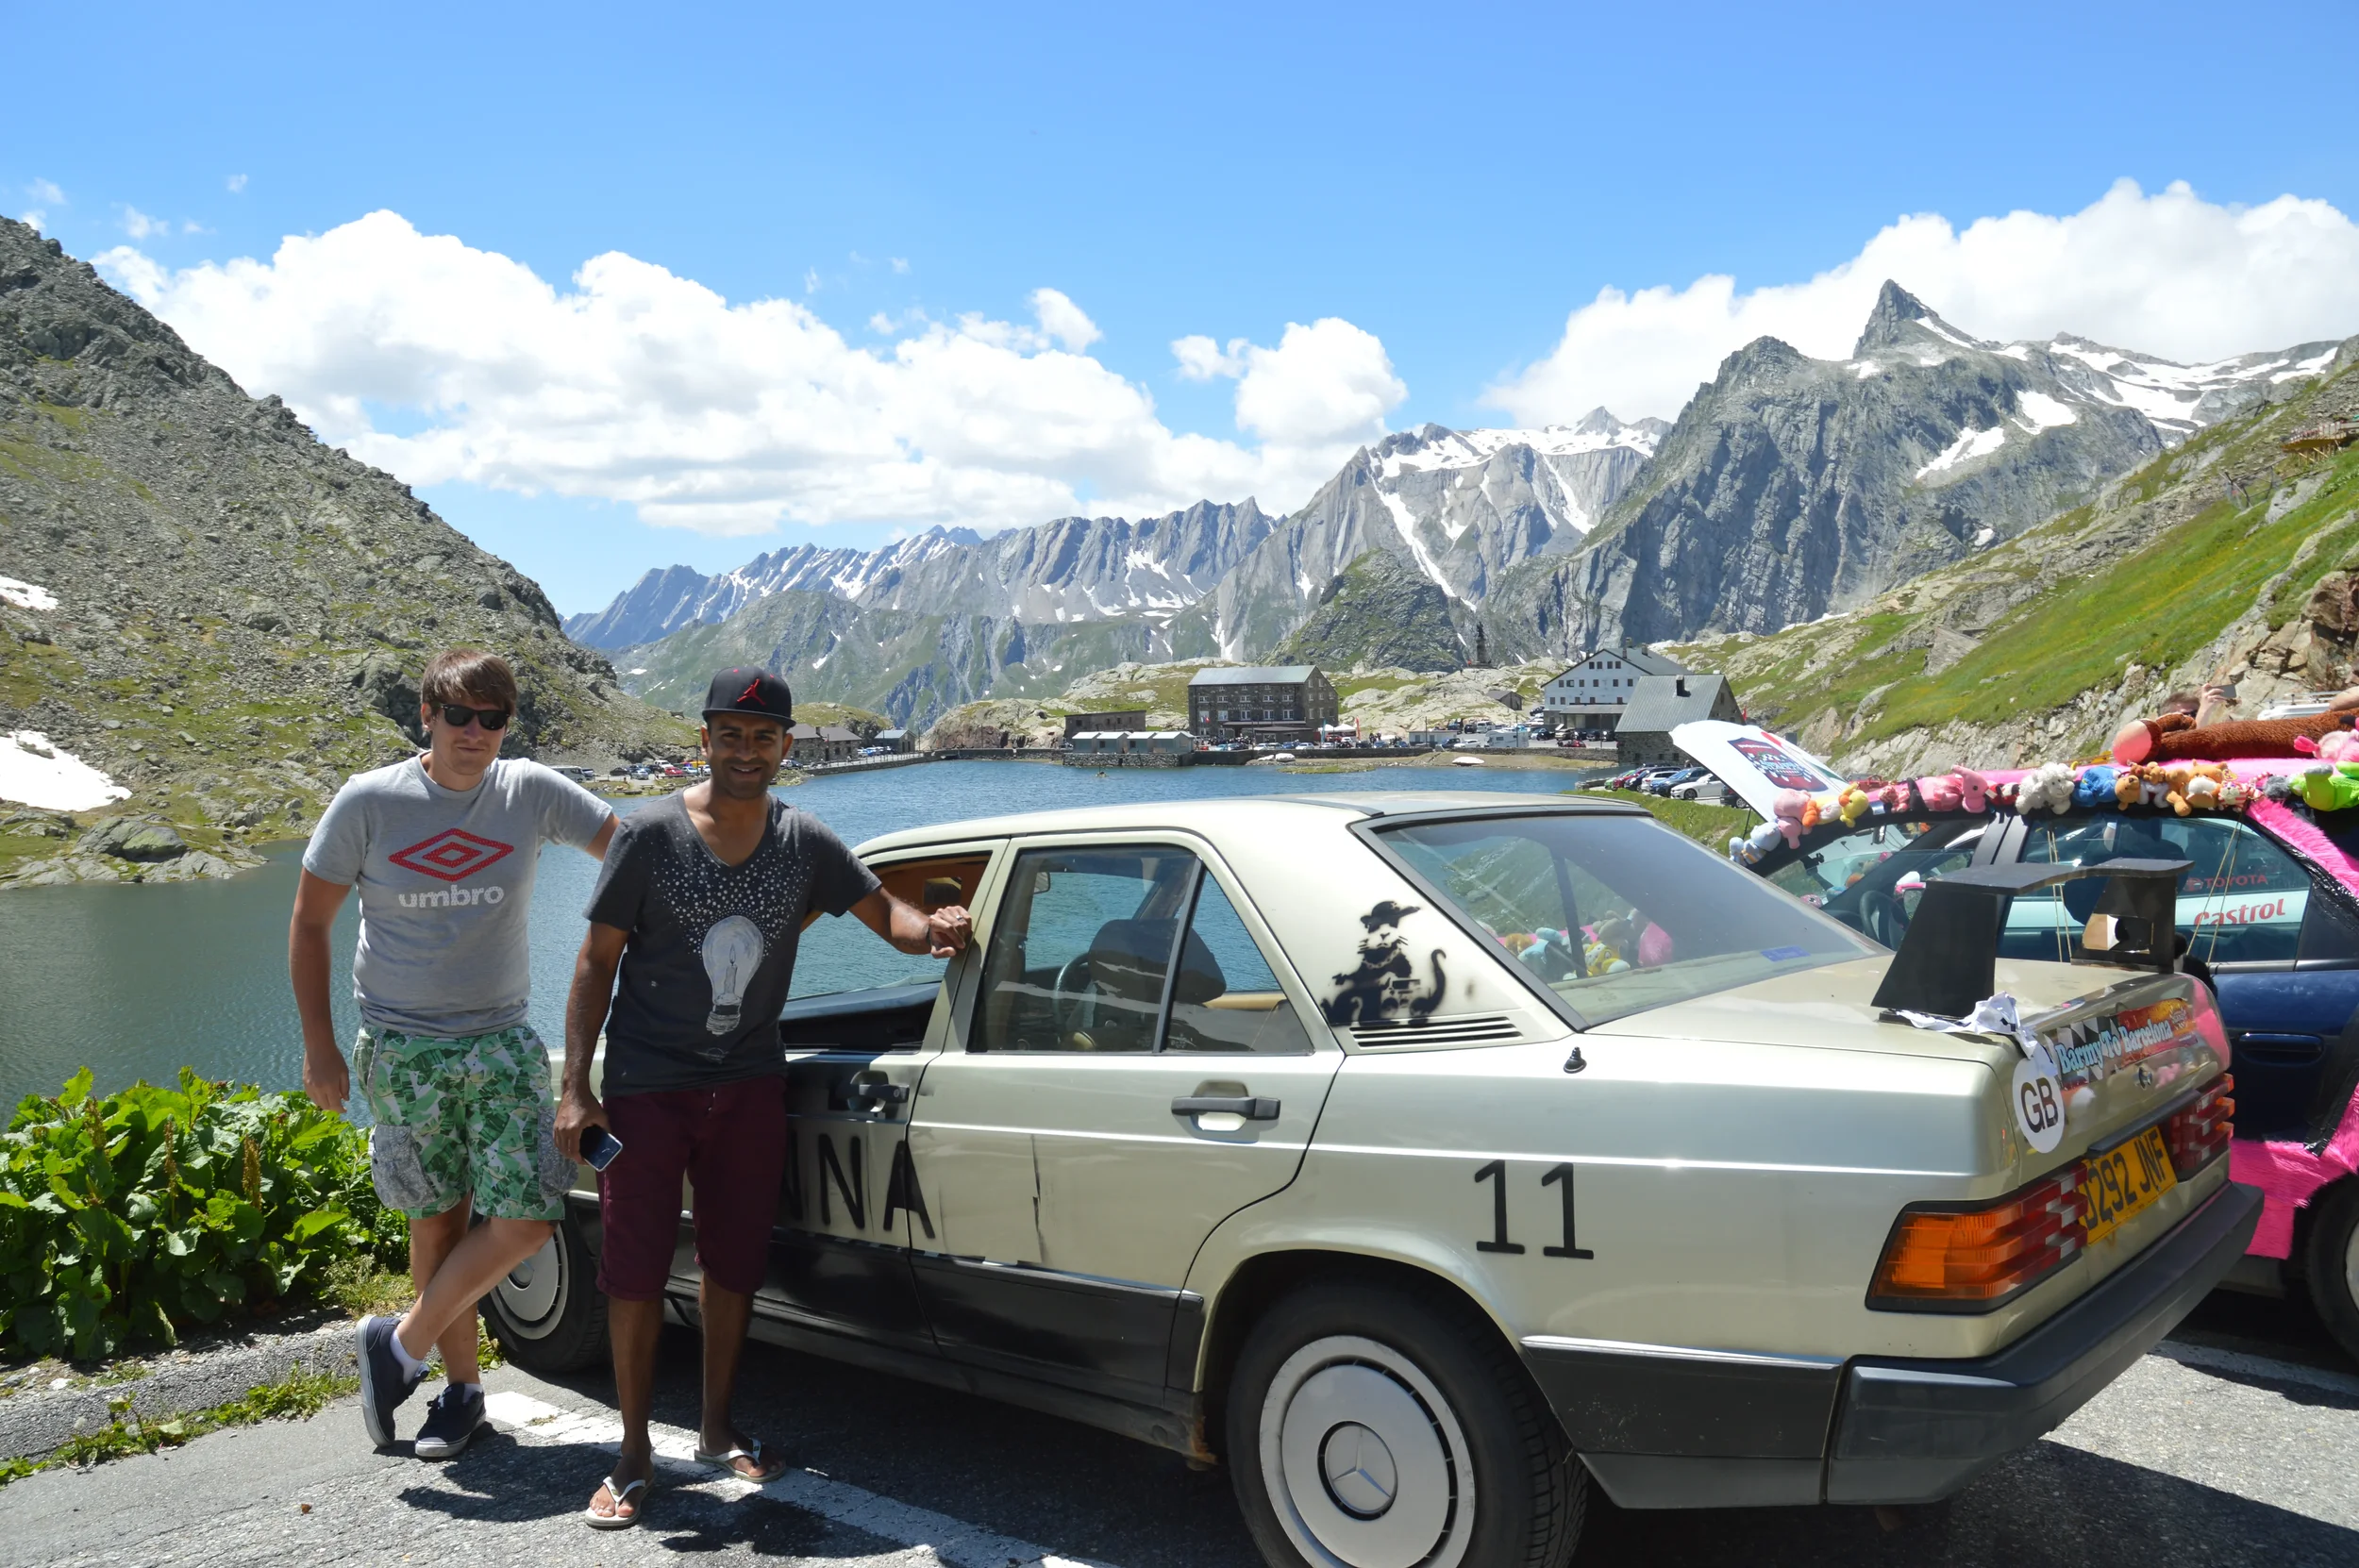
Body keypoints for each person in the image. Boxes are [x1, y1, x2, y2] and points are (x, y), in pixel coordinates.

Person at [556, 666, 970, 1530]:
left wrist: (932, 932)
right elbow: (597, 962)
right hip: (645, 1087)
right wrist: (575, 1088)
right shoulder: (649, 836)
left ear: (786, 745)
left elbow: (881, 912)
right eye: (731, 735)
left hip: (747, 1083)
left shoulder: (805, 840)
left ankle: (713, 1431)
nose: (747, 751)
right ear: (702, 741)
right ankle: (633, 1458)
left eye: (764, 737)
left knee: (733, 1262)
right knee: (632, 1270)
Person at [292, 649, 617, 1459]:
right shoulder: (369, 802)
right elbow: (309, 924)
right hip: (402, 1047)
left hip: (501, 1037)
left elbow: (629, 845)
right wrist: (319, 1046)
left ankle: (395, 1348)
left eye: (493, 718)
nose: (476, 733)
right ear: (427, 717)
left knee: (527, 1218)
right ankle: (462, 1393)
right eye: (459, 715)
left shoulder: (529, 790)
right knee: (436, 1221)